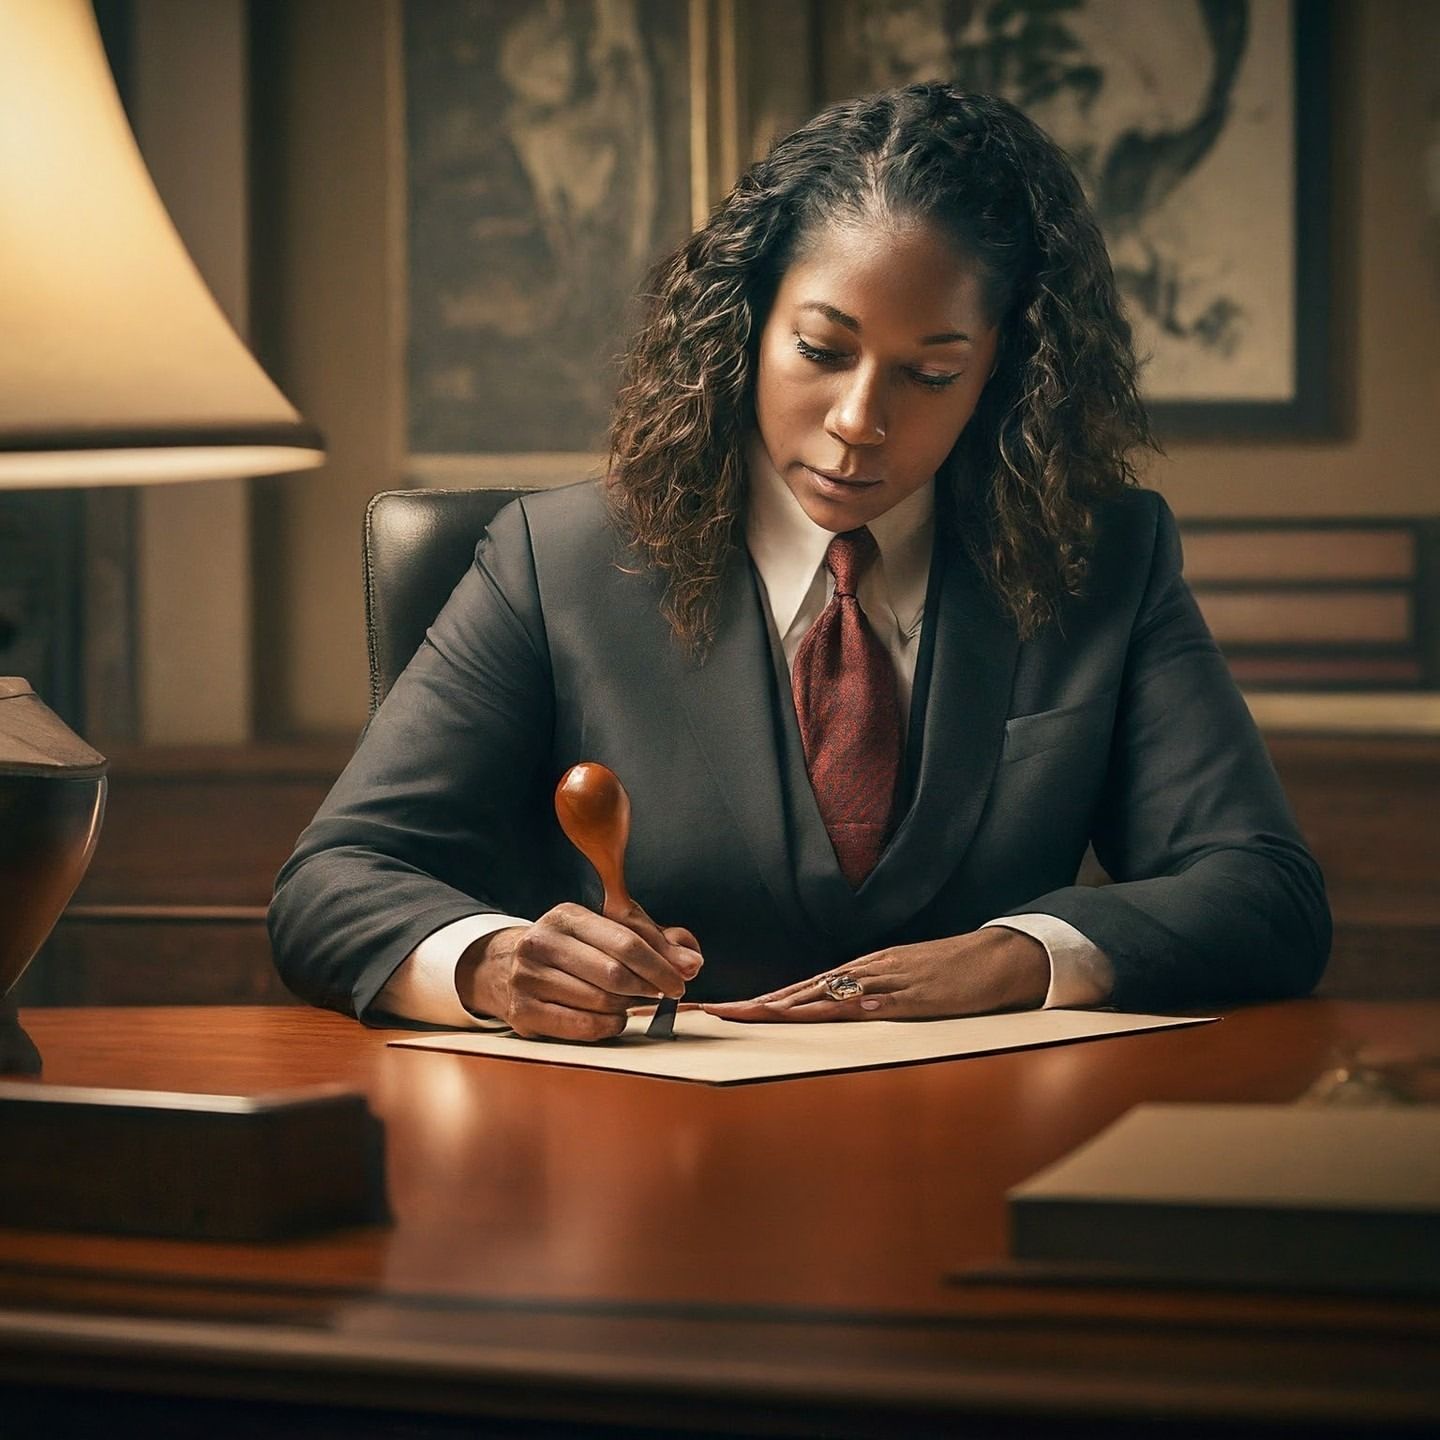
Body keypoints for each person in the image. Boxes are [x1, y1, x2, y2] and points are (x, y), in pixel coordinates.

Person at [269, 84, 1330, 1042]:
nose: (860, 421)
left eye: (931, 372)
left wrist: (1024, 956)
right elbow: (331, 883)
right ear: (746, 325)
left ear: (1006, 373)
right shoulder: (555, 563)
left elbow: (1266, 895)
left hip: (979, 1151)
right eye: (822, 352)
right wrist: (499, 965)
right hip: (628, 1167)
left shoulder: (1105, 562)